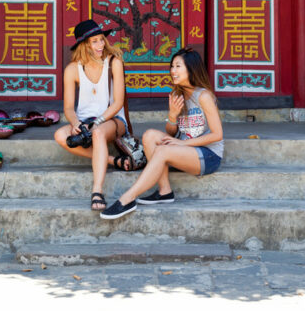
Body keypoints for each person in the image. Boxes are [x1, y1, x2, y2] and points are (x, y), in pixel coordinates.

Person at [101, 47, 222, 219]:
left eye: (178, 66)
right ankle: (165, 191)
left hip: (208, 155)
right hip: (185, 150)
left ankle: (127, 198)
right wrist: (172, 115)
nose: (173, 70)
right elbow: (172, 133)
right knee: (150, 135)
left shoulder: (204, 96)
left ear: (191, 68)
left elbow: (217, 135)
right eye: (172, 66)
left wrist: (182, 143)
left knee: (163, 150)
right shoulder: (177, 94)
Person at [54, 19, 130, 211]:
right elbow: (69, 107)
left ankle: (97, 190)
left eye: (101, 40)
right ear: (84, 45)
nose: (100, 45)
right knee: (60, 135)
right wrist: (76, 123)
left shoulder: (114, 62)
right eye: (94, 41)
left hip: (112, 119)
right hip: (85, 122)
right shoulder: (72, 69)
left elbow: (119, 102)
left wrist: (98, 122)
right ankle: (114, 161)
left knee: (97, 133)